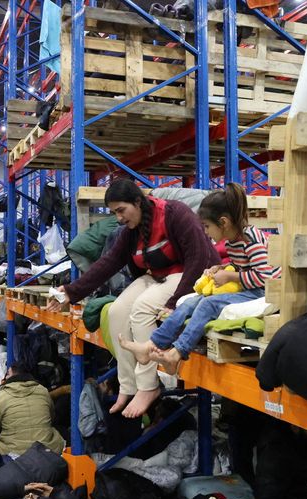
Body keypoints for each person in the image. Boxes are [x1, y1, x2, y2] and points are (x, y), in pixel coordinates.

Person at [46, 178, 218, 418]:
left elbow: (198, 258)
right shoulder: (131, 231)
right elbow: (108, 264)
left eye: (121, 210)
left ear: (138, 202)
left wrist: (174, 304)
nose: (119, 218)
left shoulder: (174, 214)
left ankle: (149, 387)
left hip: (191, 275)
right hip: (158, 277)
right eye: (114, 212)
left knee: (141, 309)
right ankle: (128, 386)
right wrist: (71, 291)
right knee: (116, 312)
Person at [119, 183, 281, 375]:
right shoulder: (232, 241)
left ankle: (177, 353)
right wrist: (222, 267)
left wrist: (229, 275)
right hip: (248, 287)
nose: (205, 232)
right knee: (188, 304)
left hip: (263, 291)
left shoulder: (249, 240)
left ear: (223, 222)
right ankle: (152, 344)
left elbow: (265, 276)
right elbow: (244, 266)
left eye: (207, 226)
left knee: (207, 305)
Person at [0, 364, 65, 455]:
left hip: (13, 453)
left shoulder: (1, 396)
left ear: (11, 376)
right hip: (47, 451)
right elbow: (51, 416)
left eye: (7, 374)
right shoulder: (43, 391)